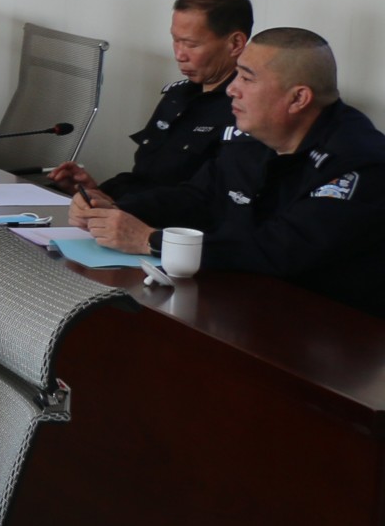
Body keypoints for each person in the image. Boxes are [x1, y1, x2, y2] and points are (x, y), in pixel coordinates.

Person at [71, 28, 385, 314]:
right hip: (244, 304)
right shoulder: (258, 136)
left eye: (247, 79)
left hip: (331, 331)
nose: (232, 89)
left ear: (298, 98)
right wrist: (115, 209)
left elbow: (278, 251)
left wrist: (151, 240)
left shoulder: (360, 162)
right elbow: (197, 197)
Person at [49, 0, 251, 203]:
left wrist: (120, 207)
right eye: (175, 40)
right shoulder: (177, 97)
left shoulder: (243, 109)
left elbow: (206, 200)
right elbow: (144, 176)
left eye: (191, 44)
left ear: (235, 44)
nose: (179, 55)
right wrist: (97, 191)